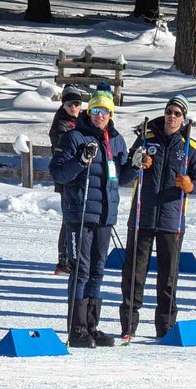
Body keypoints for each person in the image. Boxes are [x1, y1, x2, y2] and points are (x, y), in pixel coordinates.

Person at [49, 84, 136, 348]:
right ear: (89, 112)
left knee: (98, 270)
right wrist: (81, 161)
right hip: (81, 213)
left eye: (104, 111)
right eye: (95, 110)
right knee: (81, 270)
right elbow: (59, 173)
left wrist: (135, 165)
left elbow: (120, 177)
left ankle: (91, 326)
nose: (100, 116)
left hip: (105, 215)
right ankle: (76, 329)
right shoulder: (74, 137)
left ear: (111, 114)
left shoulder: (116, 140)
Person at [119, 95, 196, 339]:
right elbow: (124, 176)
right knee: (134, 274)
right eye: (169, 111)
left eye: (177, 113)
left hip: (171, 220)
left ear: (183, 118)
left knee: (168, 277)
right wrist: (136, 163)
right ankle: (128, 326)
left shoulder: (191, 146)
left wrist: (190, 185)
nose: (172, 117)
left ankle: (165, 328)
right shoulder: (145, 139)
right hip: (142, 217)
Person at [50, 85, 86, 275]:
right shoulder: (62, 124)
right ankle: (64, 260)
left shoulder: (80, 120)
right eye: (70, 104)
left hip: (79, 175)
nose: (74, 107)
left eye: (77, 104)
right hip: (67, 177)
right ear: (63, 105)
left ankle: (75, 256)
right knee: (69, 219)